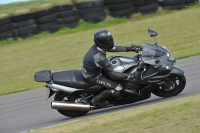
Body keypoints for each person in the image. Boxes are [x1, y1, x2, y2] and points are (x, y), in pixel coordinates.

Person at [82, 29, 145, 108]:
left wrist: (129, 48)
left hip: (95, 69)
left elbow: (113, 48)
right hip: (93, 76)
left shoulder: (100, 47)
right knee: (117, 87)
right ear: (101, 42)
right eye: (107, 41)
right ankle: (96, 101)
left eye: (110, 40)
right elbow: (113, 75)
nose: (109, 42)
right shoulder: (99, 57)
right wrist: (130, 76)